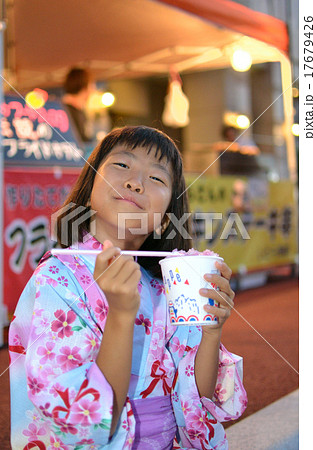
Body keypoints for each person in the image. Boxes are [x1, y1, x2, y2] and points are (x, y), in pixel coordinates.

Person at [9, 126, 247, 449]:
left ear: (165, 219)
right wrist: (120, 315)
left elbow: (197, 400)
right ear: (90, 186)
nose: (135, 182)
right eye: (122, 165)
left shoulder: (167, 287)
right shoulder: (56, 277)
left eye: (157, 179)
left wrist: (211, 331)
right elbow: (89, 422)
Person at [62, 67, 94, 143]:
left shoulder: (76, 111)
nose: (93, 89)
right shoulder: (67, 111)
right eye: (91, 84)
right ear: (85, 86)